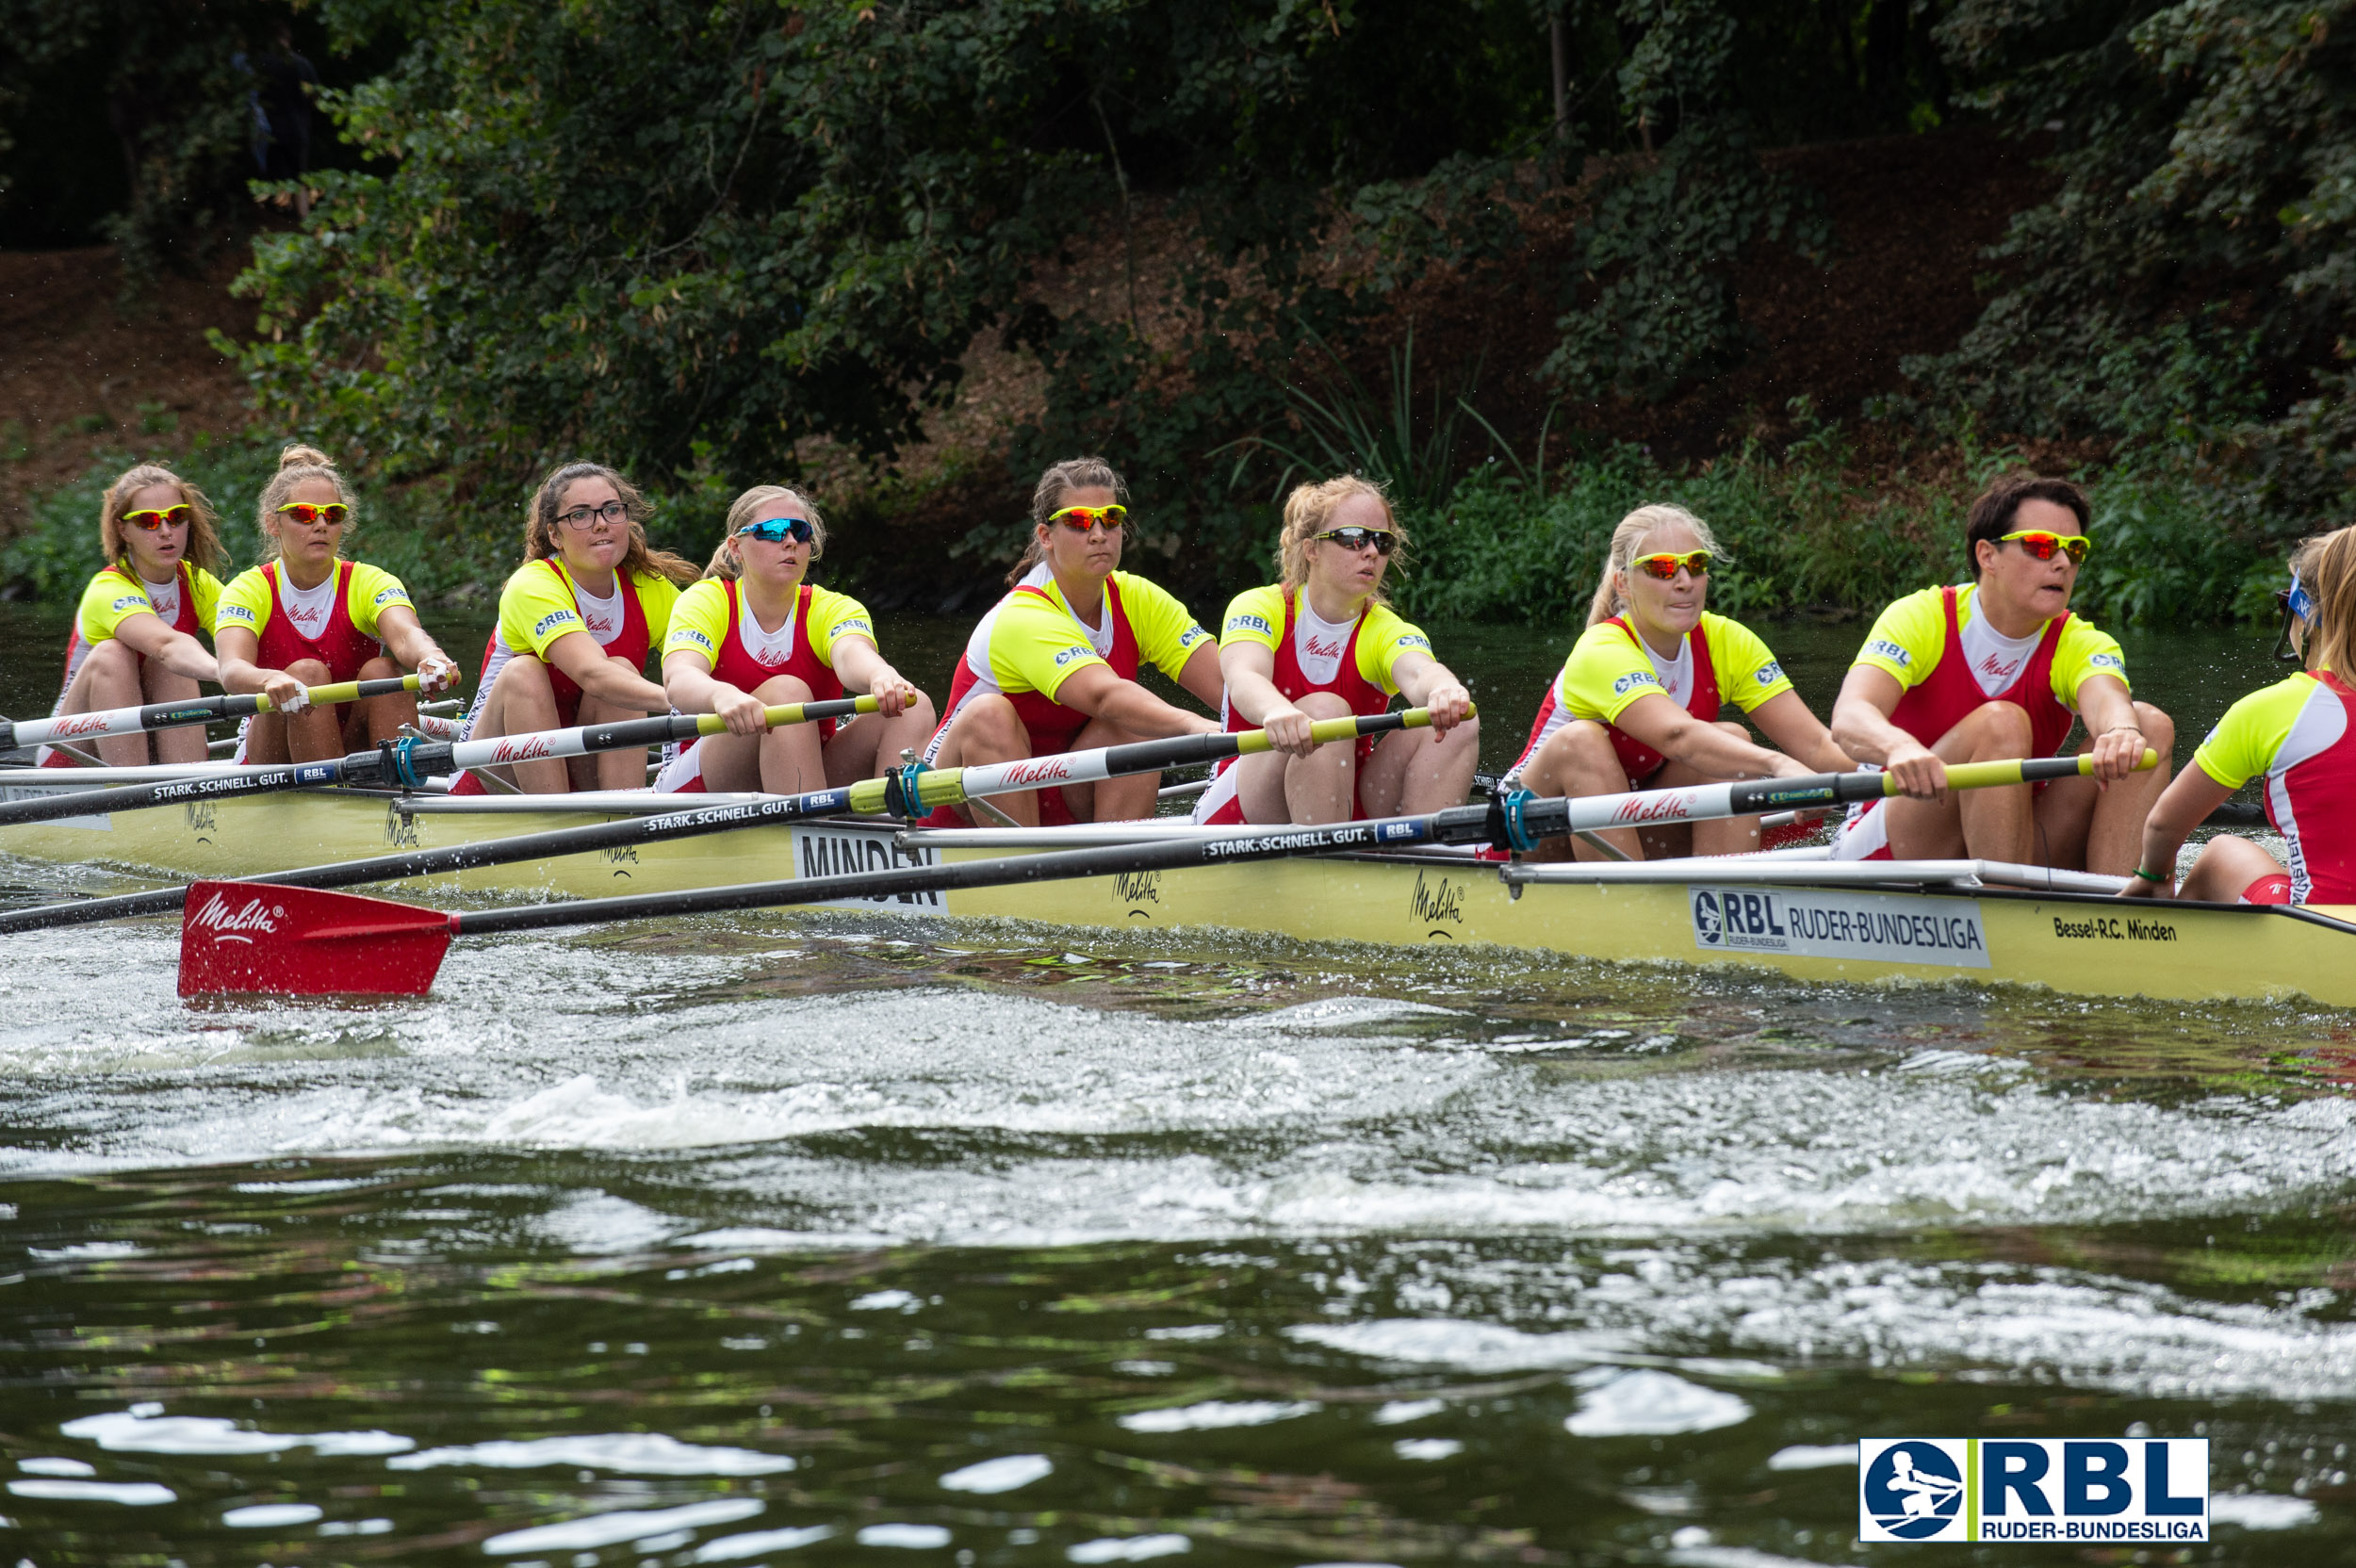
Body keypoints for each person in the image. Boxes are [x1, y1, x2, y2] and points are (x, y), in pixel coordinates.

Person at [1828, 472, 2173, 872]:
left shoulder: (2079, 641)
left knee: (2147, 727)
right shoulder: (1921, 617)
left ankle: (2119, 908)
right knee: (2002, 723)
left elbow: (2108, 701)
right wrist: (1898, 747)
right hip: (1901, 839)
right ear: (1987, 556)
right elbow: (1850, 716)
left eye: (2074, 551)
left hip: (2014, 838)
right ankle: (2009, 904)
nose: (2062, 563)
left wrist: (2119, 731)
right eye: (2042, 547)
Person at [1505, 503, 1851, 859]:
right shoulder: (1601, 649)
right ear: (1623, 583)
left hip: (1627, 829)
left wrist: (1898, 769)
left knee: (1731, 742)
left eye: (1696, 565)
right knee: (1581, 740)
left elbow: (1815, 746)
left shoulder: (1727, 641)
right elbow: (1679, 737)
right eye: (1662, 568)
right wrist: (1779, 765)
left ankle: (1721, 899)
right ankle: (1629, 904)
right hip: (1528, 837)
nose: (1685, 581)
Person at [922, 456, 1221, 825]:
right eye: (1079, 521)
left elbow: (1230, 688)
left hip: (1058, 791)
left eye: (1110, 519)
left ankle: (1123, 869)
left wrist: (1284, 717)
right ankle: (1025, 869)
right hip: (960, 807)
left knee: (1135, 724)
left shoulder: (1139, 599)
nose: (1098, 533)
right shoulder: (1022, 616)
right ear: (1045, 537)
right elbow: (1104, 696)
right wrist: (1196, 726)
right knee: (990, 714)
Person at [1194, 475, 1477, 825]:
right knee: (1326, 710)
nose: (1371, 551)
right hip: (1244, 805)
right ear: (1311, 549)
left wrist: (1445, 691)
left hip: (1344, 800)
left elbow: (1421, 672)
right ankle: (1327, 867)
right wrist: (1276, 711)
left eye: (1382, 542)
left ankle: (1423, 867)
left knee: (1459, 722)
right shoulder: (1258, 606)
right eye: (1355, 538)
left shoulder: (1384, 629)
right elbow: (1244, 678)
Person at [2120, 526, 2356, 906]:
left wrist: (2154, 874)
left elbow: (2163, 824)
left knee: (2222, 852)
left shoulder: (2273, 708)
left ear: (2305, 615)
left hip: (2320, 936)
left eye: (2286, 605)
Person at [657, 485, 934, 794]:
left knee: (911, 704)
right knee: (786, 692)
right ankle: (809, 829)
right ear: (736, 548)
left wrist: (881, 676)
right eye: (774, 531)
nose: (790, 542)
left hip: (804, 769)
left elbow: (851, 654)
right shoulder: (707, 600)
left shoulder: (831, 607)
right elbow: (678, 678)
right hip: (704, 777)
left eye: (800, 533)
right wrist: (721, 696)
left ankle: (892, 831)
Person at [458, 462, 699, 793]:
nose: (601, 524)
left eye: (611, 510)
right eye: (581, 515)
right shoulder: (532, 585)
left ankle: (622, 821)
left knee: (621, 673)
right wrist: (691, 700)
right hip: (493, 776)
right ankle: (555, 818)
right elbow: (592, 675)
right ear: (554, 534)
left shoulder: (649, 589)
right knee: (526, 671)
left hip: (579, 764)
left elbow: (718, 661)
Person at [214, 445, 458, 764]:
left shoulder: (369, 582)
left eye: (333, 514)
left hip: (352, 738)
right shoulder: (248, 589)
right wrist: (268, 680)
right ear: (273, 524)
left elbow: (406, 634)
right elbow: (232, 669)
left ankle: (394, 794)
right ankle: (331, 798)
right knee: (307, 674)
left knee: (383, 671)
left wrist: (431, 656)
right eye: (303, 515)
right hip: (273, 751)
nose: (320, 525)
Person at [42, 464, 296, 767]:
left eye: (176, 518)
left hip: (153, 747)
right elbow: (167, 645)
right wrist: (230, 672)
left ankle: (184, 784)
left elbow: (259, 641)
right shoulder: (107, 588)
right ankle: (136, 789)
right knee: (117, 654)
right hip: (73, 752)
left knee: (174, 667)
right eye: (148, 521)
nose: (165, 531)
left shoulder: (198, 584)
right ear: (124, 530)